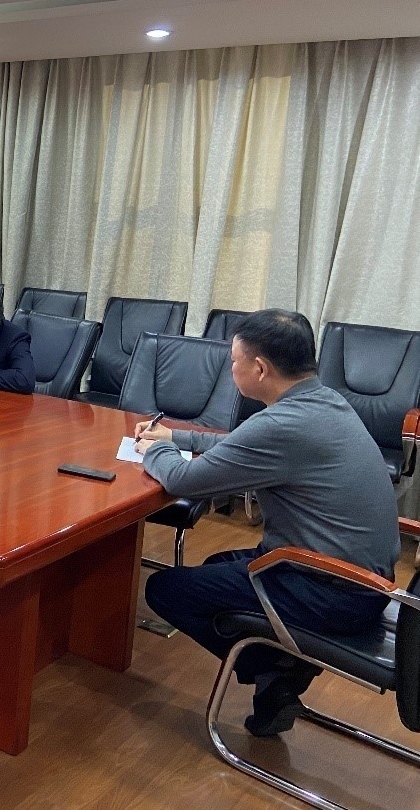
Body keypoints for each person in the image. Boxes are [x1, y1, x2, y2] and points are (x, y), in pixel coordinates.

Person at [137, 309, 399, 737]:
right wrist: (176, 437)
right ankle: (277, 676)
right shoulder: (325, 402)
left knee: (165, 590)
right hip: (362, 580)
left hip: (331, 591)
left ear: (259, 369)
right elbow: (247, 444)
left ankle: (276, 670)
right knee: (217, 563)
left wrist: (153, 451)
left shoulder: (282, 424)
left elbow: (185, 481)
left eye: (234, 360)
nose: (231, 368)